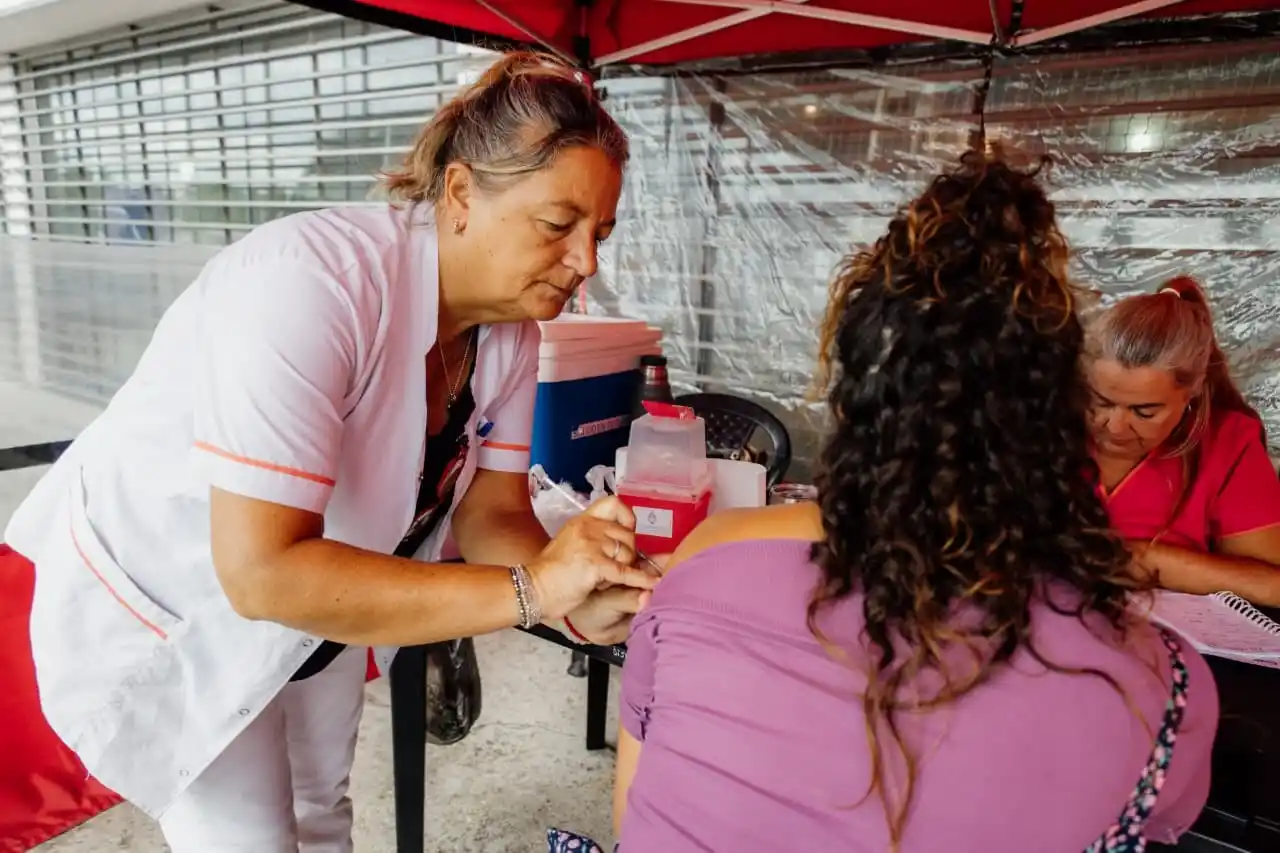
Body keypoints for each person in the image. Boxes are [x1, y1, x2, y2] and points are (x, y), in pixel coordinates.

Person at [2, 51, 657, 853]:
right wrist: (532, 589)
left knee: (322, 814)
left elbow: (493, 510)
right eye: (559, 225)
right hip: (187, 603)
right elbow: (262, 571)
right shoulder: (309, 283)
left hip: (332, 586)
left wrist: (576, 597)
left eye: (601, 231)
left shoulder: (511, 332)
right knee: (252, 840)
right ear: (459, 194)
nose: (586, 261)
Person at [603, 153, 1218, 852]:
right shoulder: (1159, 685)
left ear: (857, 398)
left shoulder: (704, 563)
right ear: (1057, 415)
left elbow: (632, 823)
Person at [1085, 275, 1280, 605]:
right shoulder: (1042, 428)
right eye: (1100, 401)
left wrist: (1146, 561)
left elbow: (1272, 585)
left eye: (1144, 411)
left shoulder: (1226, 442)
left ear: (1192, 392)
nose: (1114, 426)